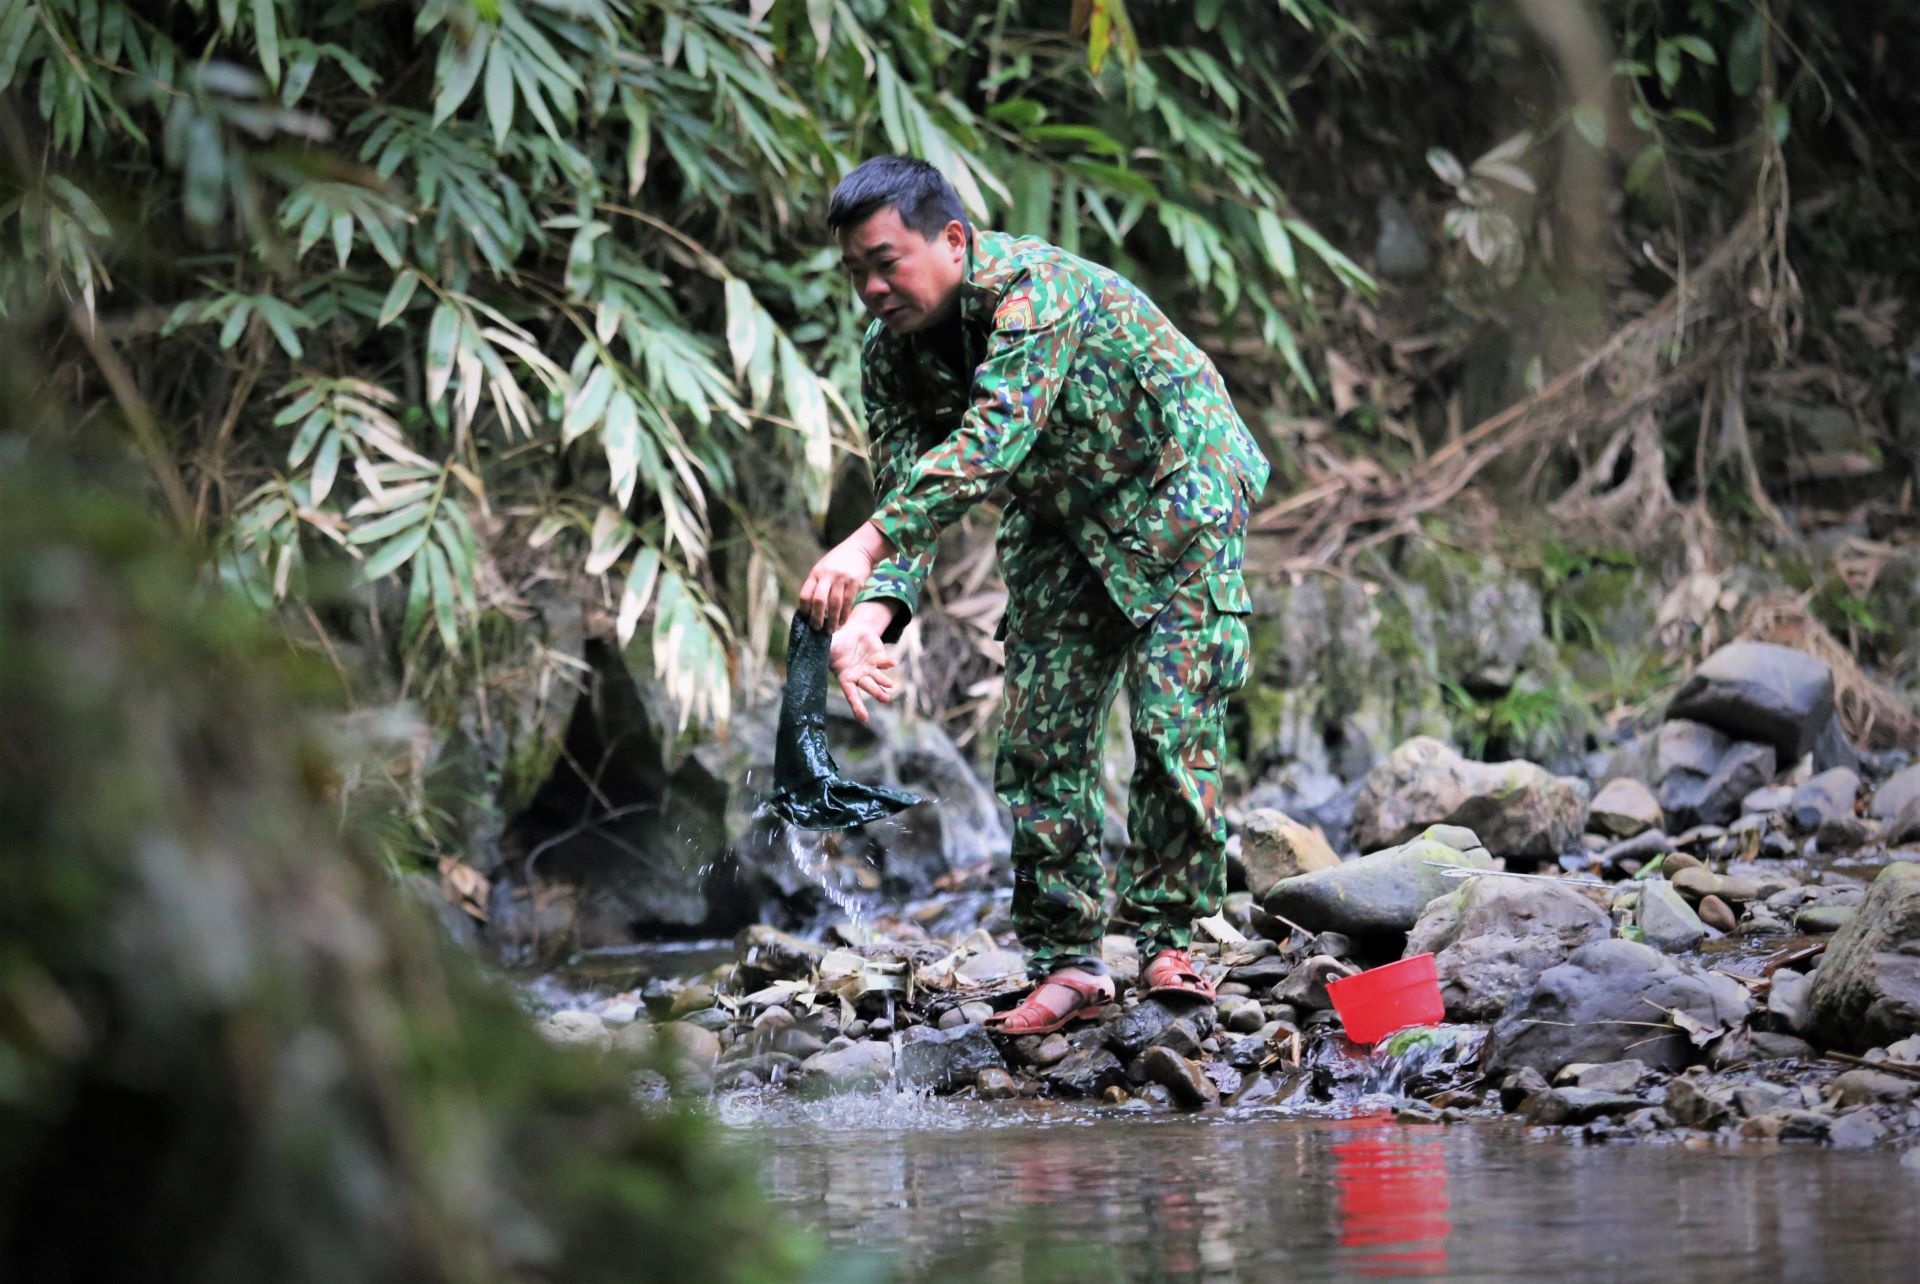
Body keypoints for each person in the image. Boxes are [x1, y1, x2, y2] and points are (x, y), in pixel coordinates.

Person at [798, 156, 1270, 1036]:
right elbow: (908, 489)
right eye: (855, 270)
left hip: (1180, 490)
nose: (870, 286)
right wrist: (876, 613)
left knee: (1171, 729)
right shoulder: (889, 353)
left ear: (953, 240)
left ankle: (1171, 940)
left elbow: (989, 442)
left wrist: (861, 549)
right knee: (1041, 739)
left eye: (887, 260)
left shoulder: (1034, 290)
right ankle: (1068, 963)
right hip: (1060, 516)